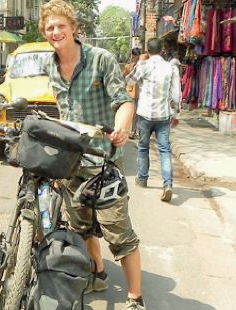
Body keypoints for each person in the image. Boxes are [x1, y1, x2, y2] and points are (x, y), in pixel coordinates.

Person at [39, 1, 145, 309]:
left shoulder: (101, 59)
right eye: (49, 27)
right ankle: (97, 272)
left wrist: (122, 128)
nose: (55, 31)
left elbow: (123, 101)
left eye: (60, 25)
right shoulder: (50, 65)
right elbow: (63, 108)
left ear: (73, 28)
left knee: (119, 234)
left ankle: (135, 297)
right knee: (81, 227)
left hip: (103, 164)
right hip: (73, 164)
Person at [126, 38, 181, 203]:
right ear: (162, 49)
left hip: (144, 114)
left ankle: (142, 179)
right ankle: (168, 184)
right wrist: (175, 114)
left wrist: (139, 65)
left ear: (147, 51)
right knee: (164, 150)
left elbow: (129, 81)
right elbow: (175, 94)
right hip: (163, 115)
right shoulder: (171, 67)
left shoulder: (144, 65)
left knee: (143, 148)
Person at [123, 48, 143, 139]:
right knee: (133, 113)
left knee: (140, 113)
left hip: (142, 93)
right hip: (131, 92)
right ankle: (132, 131)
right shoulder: (128, 67)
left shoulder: (143, 67)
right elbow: (124, 79)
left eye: (138, 56)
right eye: (135, 56)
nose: (136, 57)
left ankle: (139, 131)